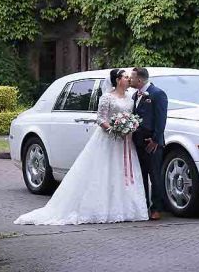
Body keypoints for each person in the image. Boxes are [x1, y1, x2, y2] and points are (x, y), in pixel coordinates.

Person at [13, 69, 148, 225]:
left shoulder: (130, 98)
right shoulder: (107, 98)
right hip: (110, 139)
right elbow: (100, 118)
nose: (129, 80)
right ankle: (103, 208)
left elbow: (131, 115)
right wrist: (113, 129)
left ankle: (126, 209)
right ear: (118, 80)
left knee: (122, 173)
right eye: (126, 77)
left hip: (125, 142)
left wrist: (129, 127)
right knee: (105, 172)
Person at [130, 67, 168, 220]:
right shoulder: (134, 95)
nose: (130, 80)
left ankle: (157, 208)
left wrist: (156, 140)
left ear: (139, 80)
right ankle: (143, 206)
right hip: (136, 142)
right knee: (141, 176)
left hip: (151, 142)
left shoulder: (157, 94)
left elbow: (161, 119)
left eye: (132, 78)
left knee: (155, 175)